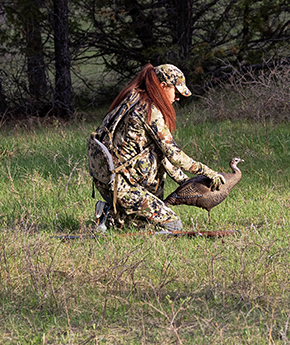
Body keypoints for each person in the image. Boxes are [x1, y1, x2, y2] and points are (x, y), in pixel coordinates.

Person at [87, 63, 224, 233]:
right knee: (174, 225)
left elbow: (162, 155)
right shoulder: (149, 110)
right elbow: (173, 154)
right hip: (124, 187)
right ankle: (111, 215)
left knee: (141, 227)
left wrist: (187, 183)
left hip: (110, 182)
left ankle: (112, 214)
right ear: (163, 86)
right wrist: (208, 172)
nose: (178, 98)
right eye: (176, 91)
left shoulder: (133, 98)